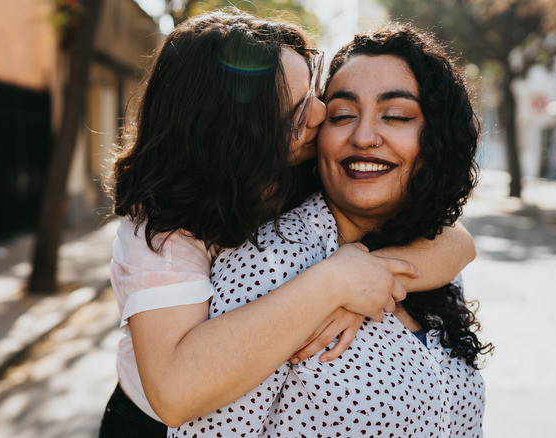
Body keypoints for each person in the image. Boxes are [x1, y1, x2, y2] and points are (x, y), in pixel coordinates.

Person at [100, 11, 476, 438]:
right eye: (298, 113)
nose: (321, 113)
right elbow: (174, 392)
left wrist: (371, 271)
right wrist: (330, 284)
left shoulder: (304, 173)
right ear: (244, 142)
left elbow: (458, 242)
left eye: (314, 93)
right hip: (146, 421)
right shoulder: (164, 231)